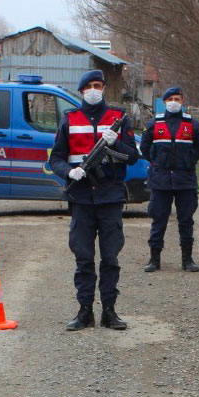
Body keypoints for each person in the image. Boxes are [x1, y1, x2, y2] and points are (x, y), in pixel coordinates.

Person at [48, 69, 140, 331]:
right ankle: (85, 311)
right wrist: (69, 171)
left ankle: (109, 311)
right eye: (88, 86)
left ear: (104, 88)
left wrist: (116, 144)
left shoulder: (118, 118)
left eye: (98, 85)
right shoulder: (70, 119)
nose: (93, 90)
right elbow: (55, 159)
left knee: (110, 258)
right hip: (81, 197)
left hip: (110, 196)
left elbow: (132, 156)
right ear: (80, 91)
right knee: (84, 258)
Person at [140, 85, 199, 272]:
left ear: (182, 101)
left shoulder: (193, 124)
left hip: (185, 180)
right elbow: (145, 149)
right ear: (165, 102)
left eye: (177, 99)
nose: (174, 103)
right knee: (158, 219)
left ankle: (187, 260)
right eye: (170, 100)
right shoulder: (153, 124)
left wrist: (188, 161)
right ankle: (154, 260)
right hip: (161, 180)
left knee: (186, 220)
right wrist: (158, 162)